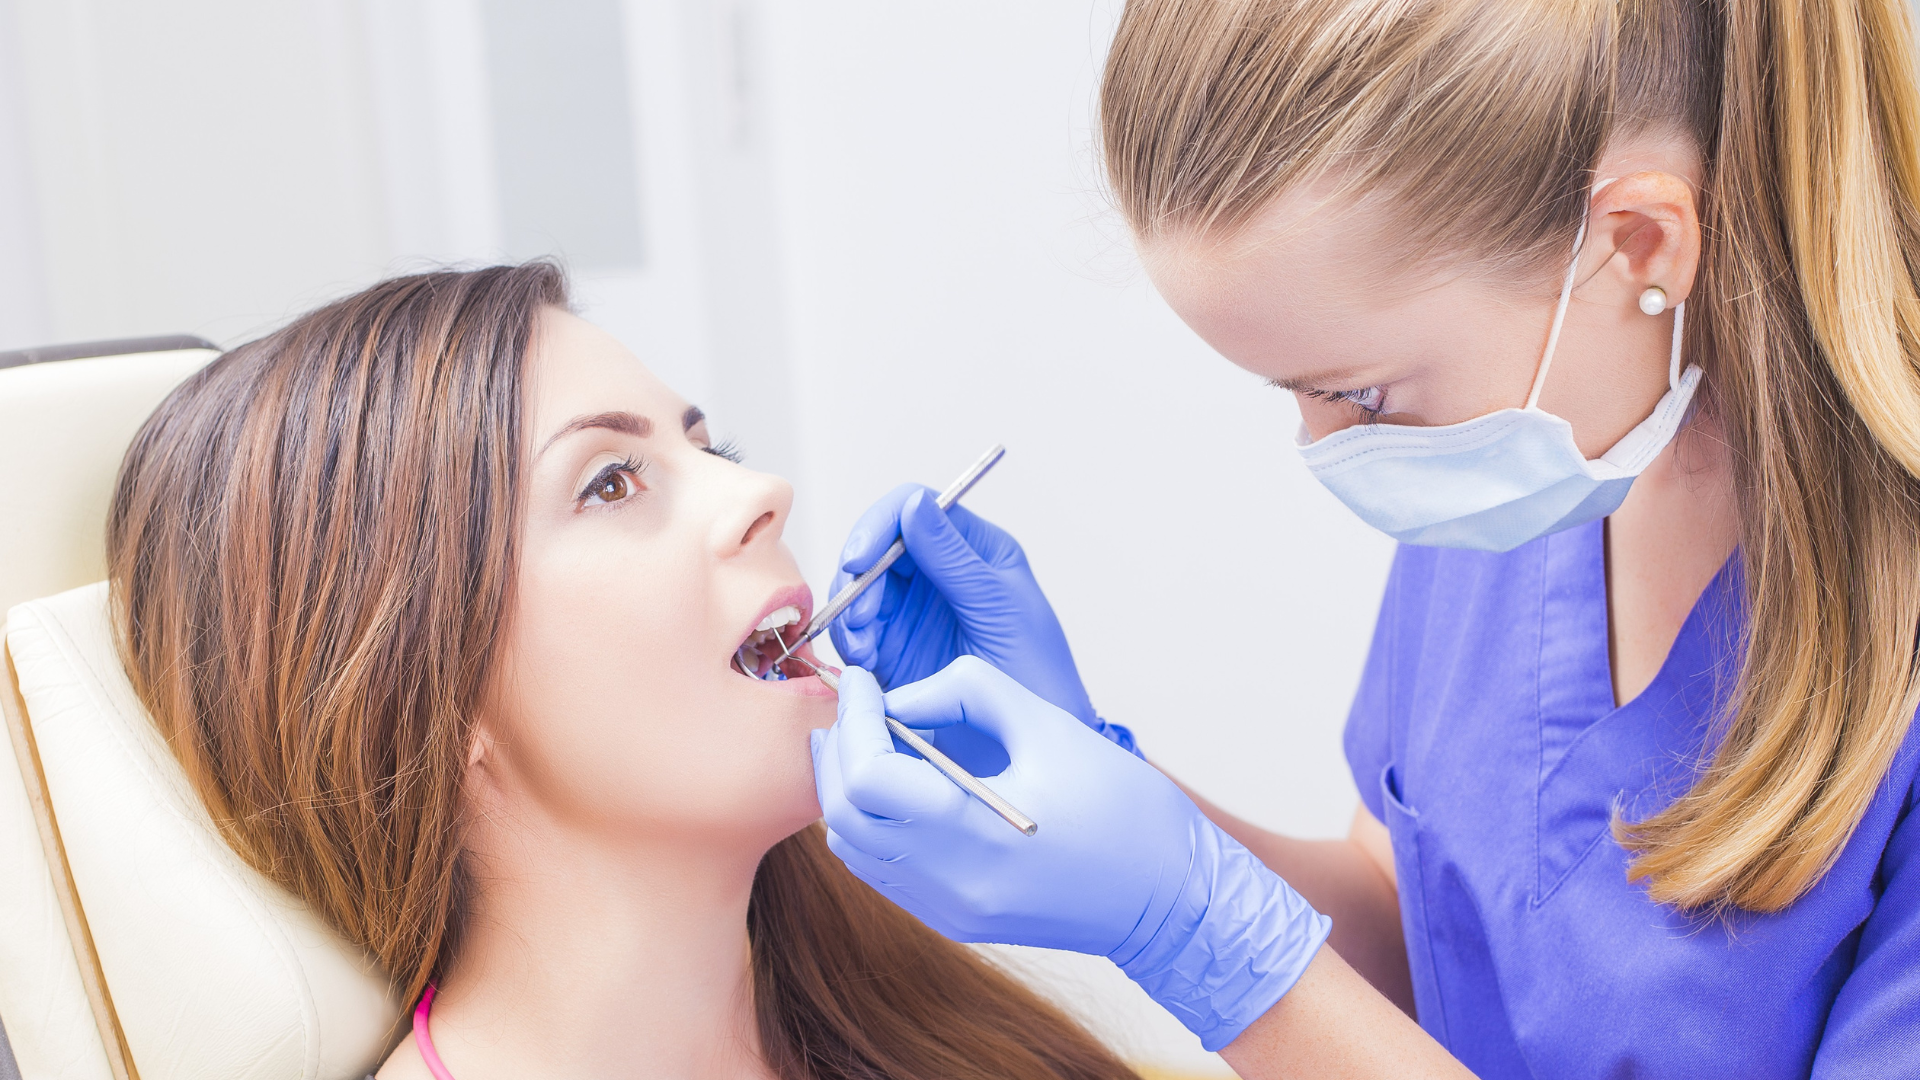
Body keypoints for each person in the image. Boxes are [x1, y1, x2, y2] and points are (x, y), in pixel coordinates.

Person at [811, 1, 1920, 1077]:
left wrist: (1202, 938)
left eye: (1363, 396)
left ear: (1637, 244)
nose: (1326, 448)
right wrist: (1109, 795)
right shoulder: (1531, 483)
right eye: (1291, 393)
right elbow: (1418, 935)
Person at [106, 263, 1143, 1080]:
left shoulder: (913, 1021)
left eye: (711, 447)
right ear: (427, 686)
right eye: (611, 483)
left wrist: (1137, 834)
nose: (762, 492)